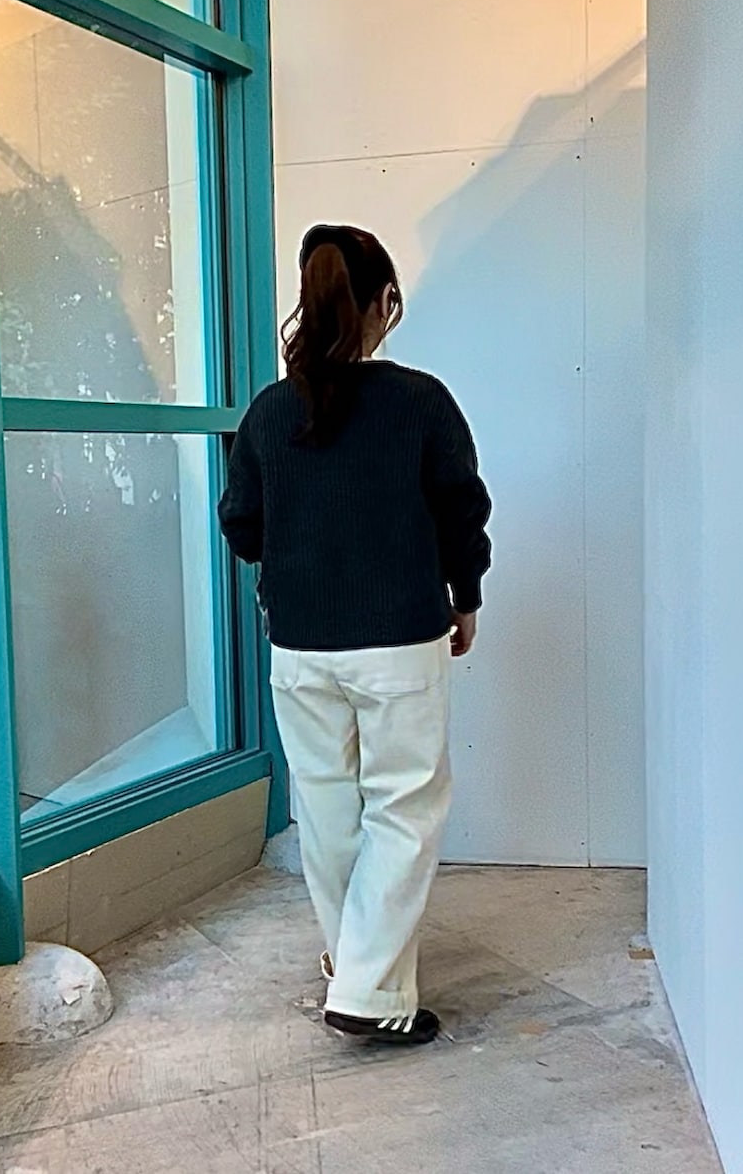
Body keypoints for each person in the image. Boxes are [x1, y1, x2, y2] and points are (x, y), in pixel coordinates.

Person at [218, 223, 491, 1045]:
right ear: (383, 302)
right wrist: (466, 594)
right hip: (399, 639)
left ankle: (356, 968)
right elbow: (461, 509)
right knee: (403, 807)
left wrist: (300, 554)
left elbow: (241, 523)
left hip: (300, 645)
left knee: (328, 807)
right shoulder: (419, 401)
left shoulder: (268, 412)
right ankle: (369, 990)